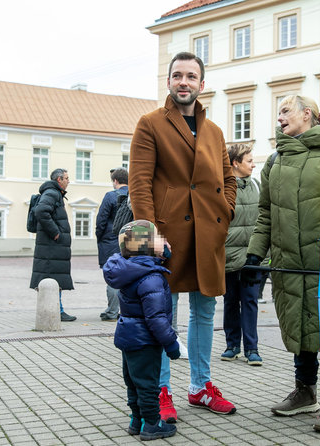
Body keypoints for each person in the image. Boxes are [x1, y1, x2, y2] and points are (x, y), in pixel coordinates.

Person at [129, 51, 237, 421]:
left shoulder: (215, 131)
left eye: (191, 76)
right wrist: (149, 235)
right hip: (167, 237)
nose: (184, 82)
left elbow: (229, 179)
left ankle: (200, 387)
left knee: (205, 312)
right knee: (164, 315)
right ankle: (161, 390)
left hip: (208, 236)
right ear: (169, 81)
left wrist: (225, 214)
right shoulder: (150, 124)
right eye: (178, 76)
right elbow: (139, 183)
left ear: (201, 84)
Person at [244, 94, 320, 433]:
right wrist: (253, 253)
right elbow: (266, 213)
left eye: (285, 111)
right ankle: (305, 392)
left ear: (308, 114)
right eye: (278, 113)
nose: (279, 118)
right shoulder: (274, 160)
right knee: (299, 328)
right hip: (288, 263)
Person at [103, 220, 179, 441]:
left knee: (133, 381)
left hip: (129, 337)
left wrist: (163, 252)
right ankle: (152, 425)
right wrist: (171, 343)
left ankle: (136, 420)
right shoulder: (151, 277)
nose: (163, 241)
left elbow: (160, 257)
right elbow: (156, 319)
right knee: (148, 385)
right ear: (145, 244)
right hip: (146, 341)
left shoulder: (130, 269)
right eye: (158, 238)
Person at [221, 143, 263, 366]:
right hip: (228, 256)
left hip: (251, 257)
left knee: (250, 301)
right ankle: (232, 345)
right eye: (249, 160)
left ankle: (252, 348)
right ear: (235, 163)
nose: (253, 164)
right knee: (230, 301)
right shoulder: (223, 189)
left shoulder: (256, 186)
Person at [29, 168, 76, 322]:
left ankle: (57, 308)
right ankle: (57, 310)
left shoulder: (53, 193)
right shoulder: (52, 193)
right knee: (53, 278)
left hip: (51, 246)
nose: (68, 181)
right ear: (59, 180)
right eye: (67, 178)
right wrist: (55, 232)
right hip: (51, 246)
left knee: (52, 277)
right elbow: (41, 211)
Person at [96, 167, 129, 321]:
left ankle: (112, 312)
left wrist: (100, 237)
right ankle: (128, 310)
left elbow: (101, 220)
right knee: (131, 275)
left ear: (115, 181)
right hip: (132, 241)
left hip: (111, 241)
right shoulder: (134, 195)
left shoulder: (110, 196)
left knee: (113, 275)